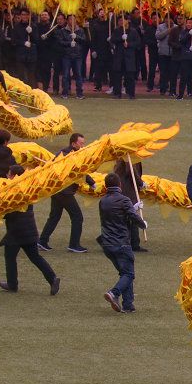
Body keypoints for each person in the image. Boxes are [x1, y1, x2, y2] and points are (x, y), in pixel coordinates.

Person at [0, 165, 60, 295]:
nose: (7, 176)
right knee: (35, 257)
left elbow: (7, 210)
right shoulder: (28, 188)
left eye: (9, 174)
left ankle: (12, 284)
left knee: (10, 257)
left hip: (16, 231)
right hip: (28, 229)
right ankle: (53, 278)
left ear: (13, 176)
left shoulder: (13, 190)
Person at [98, 172, 147, 313]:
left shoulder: (102, 201)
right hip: (121, 243)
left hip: (107, 244)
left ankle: (128, 305)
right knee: (129, 274)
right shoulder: (124, 200)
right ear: (119, 184)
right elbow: (131, 217)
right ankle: (114, 293)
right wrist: (143, 224)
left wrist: (133, 207)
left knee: (125, 273)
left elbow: (116, 214)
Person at [38, 133, 92, 253]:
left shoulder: (63, 153)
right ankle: (74, 244)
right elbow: (80, 171)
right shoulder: (70, 156)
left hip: (57, 190)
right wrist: (91, 183)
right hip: (64, 192)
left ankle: (42, 241)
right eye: (81, 143)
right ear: (73, 143)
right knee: (77, 216)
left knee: (54, 216)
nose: (83, 146)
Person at [111, 158, 146, 251]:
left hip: (126, 187)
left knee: (127, 216)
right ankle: (133, 243)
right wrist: (141, 183)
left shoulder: (128, 154)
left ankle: (133, 242)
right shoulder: (127, 155)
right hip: (127, 189)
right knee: (130, 215)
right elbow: (130, 170)